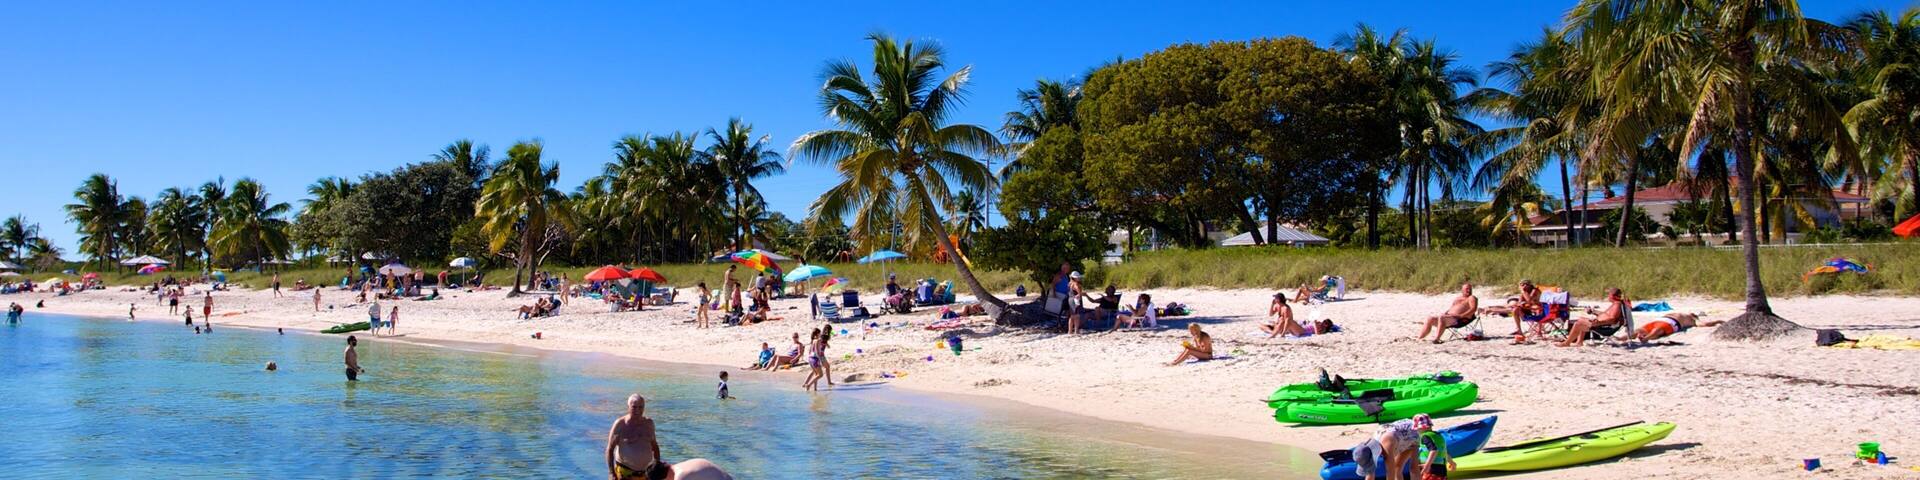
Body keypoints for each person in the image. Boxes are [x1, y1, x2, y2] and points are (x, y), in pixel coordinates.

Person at [605, 393, 662, 480]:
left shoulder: (649, 424)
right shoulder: (620, 424)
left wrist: (657, 467)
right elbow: (610, 449)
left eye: (640, 407)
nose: (637, 410)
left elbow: (655, 446)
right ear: (628, 407)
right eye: (634, 407)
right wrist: (611, 473)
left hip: (646, 474)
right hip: (625, 473)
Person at [1559, 288, 1628, 347]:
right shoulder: (1616, 304)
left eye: (1609, 295)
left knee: (1579, 323)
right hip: (1602, 325)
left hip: (1604, 327)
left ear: (1613, 296)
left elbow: (1612, 319)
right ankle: (1579, 342)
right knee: (1581, 320)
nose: (1608, 296)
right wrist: (1593, 311)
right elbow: (1606, 314)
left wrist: (1599, 322)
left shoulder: (1617, 305)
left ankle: (1567, 343)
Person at [1634, 312, 1721, 342]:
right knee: (1639, 330)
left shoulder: (1693, 321)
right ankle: (1621, 338)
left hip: (1670, 323)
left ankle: (1645, 338)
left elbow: (1705, 324)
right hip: (1661, 320)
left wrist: (1717, 321)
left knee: (1657, 330)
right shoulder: (1685, 314)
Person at [1414, 414, 1454, 480]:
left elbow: (1434, 451)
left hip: (1431, 469)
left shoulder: (1425, 437)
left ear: (1421, 427)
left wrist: (1427, 465)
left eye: (1417, 428)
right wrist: (1452, 462)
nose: (1416, 431)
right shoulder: (1438, 436)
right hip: (1442, 468)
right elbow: (1444, 452)